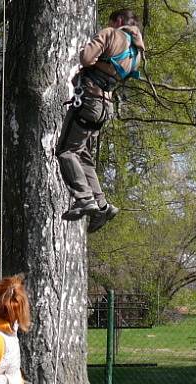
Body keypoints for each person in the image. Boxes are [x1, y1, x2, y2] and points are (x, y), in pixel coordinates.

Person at [57, 9, 146, 233]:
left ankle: (84, 198)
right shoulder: (136, 54)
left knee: (66, 151)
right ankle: (103, 206)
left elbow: (86, 58)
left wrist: (88, 55)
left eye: (111, 22)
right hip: (105, 106)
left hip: (89, 99)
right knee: (82, 155)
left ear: (118, 21)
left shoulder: (111, 34)